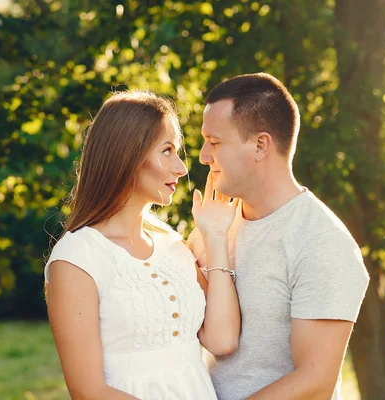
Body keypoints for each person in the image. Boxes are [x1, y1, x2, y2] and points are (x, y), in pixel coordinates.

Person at [44, 90, 241, 400]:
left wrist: (215, 238)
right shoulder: (76, 258)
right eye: (167, 150)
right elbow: (87, 391)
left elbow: (223, 339)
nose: (181, 167)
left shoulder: (174, 247)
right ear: (127, 154)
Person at [188, 73, 370, 400]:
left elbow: (315, 383)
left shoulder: (323, 242)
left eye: (214, 143)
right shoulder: (213, 228)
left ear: (260, 145)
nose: (203, 156)